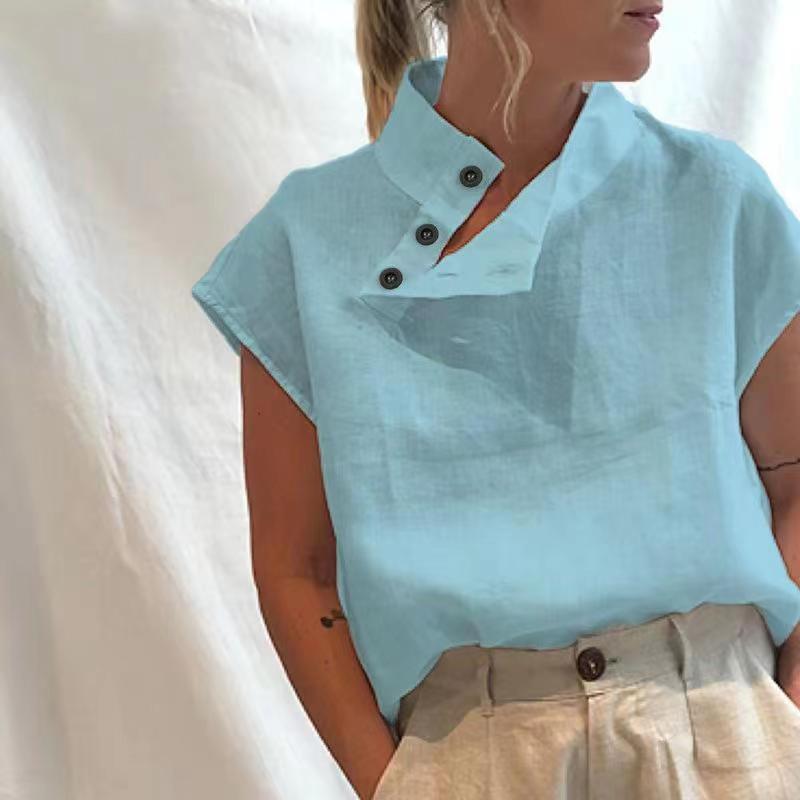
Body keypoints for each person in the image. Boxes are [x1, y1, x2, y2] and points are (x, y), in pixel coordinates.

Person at [191, 0, 800, 797]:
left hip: (730, 744)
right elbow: (295, 568)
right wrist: (400, 784)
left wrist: (781, 721)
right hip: (470, 758)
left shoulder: (714, 200)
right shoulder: (302, 245)